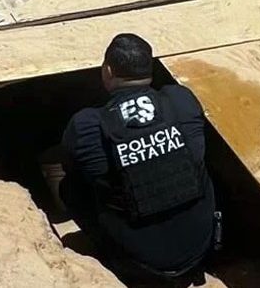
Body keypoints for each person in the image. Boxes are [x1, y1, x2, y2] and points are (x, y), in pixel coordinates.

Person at [60, 34, 216, 284]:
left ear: (108, 70)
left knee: (69, 187)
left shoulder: (87, 124)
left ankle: (110, 258)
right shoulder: (181, 99)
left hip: (141, 263)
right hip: (200, 247)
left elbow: (70, 166)